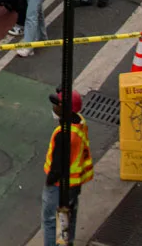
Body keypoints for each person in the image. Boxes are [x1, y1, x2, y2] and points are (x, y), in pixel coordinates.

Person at [42, 89, 93, 246]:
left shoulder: (64, 134)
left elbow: (57, 167)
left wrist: (50, 181)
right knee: (68, 217)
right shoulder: (79, 122)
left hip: (59, 186)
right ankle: (67, 243)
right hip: (74, 184)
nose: (53, 108)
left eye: (56, 105)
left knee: (51, 220)